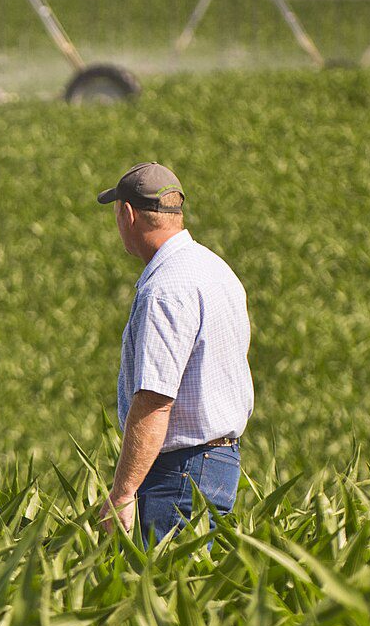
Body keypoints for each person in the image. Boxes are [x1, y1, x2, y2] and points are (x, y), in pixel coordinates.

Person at [94, 162, 253, 544]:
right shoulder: (214, 269)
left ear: (128, 213)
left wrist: (123, 492)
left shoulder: (166, 287)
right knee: (193, 593)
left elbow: (155, 399)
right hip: (219, 464)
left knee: (155, 592)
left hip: (179, 472)